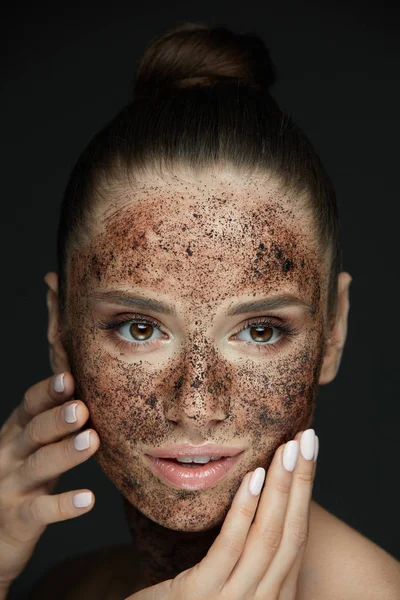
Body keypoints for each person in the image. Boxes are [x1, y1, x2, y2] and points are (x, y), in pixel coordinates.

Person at [0, 20, 399, 600]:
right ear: (59, 326)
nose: (195, 403)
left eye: (261, 330)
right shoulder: (66, 589)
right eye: (140, 328)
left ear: (333, 330)